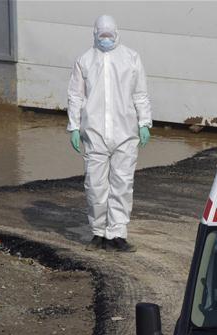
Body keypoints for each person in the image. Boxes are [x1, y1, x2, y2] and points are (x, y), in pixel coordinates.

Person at [67, 15, 152, 253]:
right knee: (95, 185)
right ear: (94, 34)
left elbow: (140, 94)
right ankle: (98, 232)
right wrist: (74, 127)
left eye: (110, 35)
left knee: (122, 184)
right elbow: (76, 95)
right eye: (102, 36)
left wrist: (144, 122)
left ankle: (117, 233)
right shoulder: (85, 60)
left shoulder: (131, 58)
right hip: (94, 132)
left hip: (125, 132)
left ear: (117, 33)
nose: (106, 40)